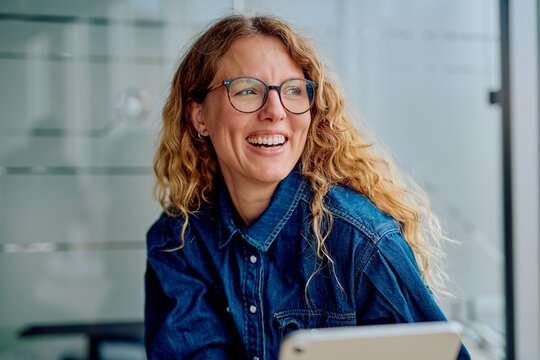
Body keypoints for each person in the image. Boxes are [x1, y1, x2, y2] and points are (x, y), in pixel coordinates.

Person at [145, 14, 470, 360]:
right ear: (199, 117)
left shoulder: (362, 241)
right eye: (247, 90)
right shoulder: (178, 243)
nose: (276, 110)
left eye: (293, 90)